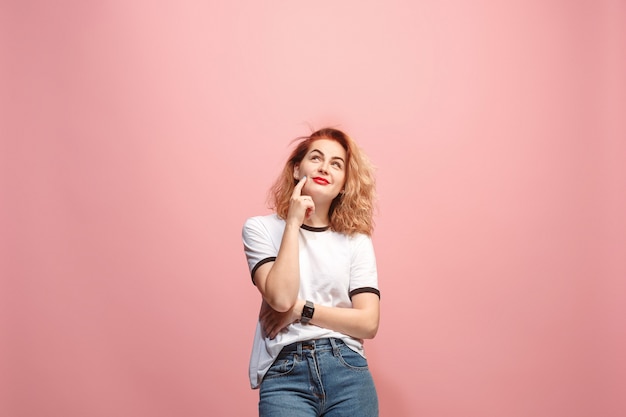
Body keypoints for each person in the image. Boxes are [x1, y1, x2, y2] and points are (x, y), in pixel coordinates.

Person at [242, 127, 381, 416]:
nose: (324, 168)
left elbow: (368, 322)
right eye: (316, 158)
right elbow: (280, 298)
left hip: (347, 370)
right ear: (296, 169)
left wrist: (301, 310)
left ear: (343, 184)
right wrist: (293, 223)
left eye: (336, 164)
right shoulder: (261, 229)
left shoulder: (356, 240)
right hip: (284, 373)